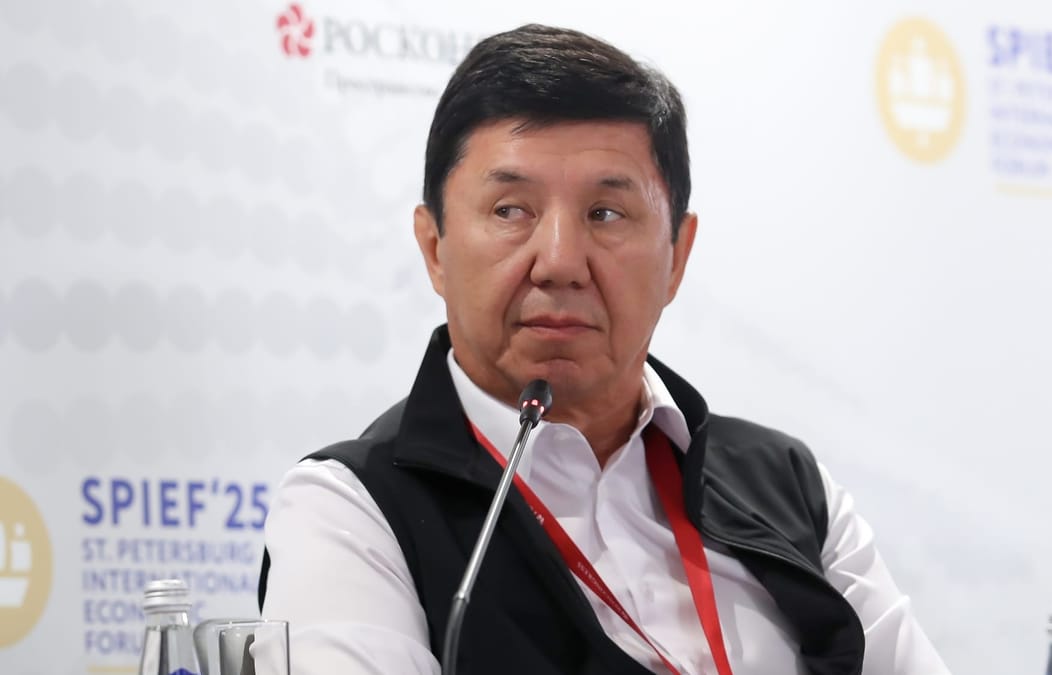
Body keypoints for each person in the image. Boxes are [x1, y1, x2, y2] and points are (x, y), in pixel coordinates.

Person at [258, 23, 949, 675]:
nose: (560, 261)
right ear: (434, 248)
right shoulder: (352, 512)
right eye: (511, 210)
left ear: (677, 257)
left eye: (606, 213)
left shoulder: (790, 488)